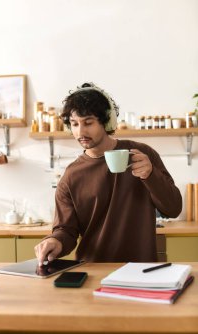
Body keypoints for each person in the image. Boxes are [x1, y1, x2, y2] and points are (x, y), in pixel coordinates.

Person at [35, 82, 182, 266]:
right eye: (74, 124)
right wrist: (55, 241)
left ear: (106, 122)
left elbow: (174, 208)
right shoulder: (71, 176)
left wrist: (150, 175)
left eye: (88, 123)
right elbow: (66, 230)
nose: (80, 131)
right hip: (92, 271)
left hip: (141, 270)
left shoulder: (142, 155)